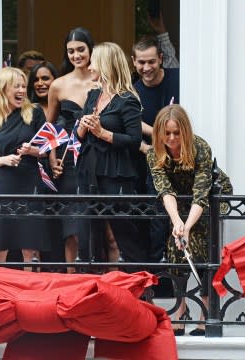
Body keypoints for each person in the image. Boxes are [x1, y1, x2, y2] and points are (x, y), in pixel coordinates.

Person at [146, 104, 233, 336]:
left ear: (185, 130)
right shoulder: (154, 152)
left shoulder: (200, 147)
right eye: (167, 133)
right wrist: (177, 223)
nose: (172, 138)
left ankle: (206, 313)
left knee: (203, 250)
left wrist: (188, 226)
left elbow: (201, 192)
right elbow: (165, 191)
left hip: (209, 199)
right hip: (179, 203)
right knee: (176, 251)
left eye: (177, 132)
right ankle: (181, 310)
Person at [75, 42, 145, 263]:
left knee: (122, 233)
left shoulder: (127, 99)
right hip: (89, 172)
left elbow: (135, 141)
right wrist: (83, 125)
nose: (90, 65)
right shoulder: (92, 96)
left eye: (94, 60)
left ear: (105, 64)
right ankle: (94, 284)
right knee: (90, 235)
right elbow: (78, 137)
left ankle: (140, 285)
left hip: (115, 174)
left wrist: (103, 132)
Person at [0, 67, 49, 269]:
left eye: (23, 86)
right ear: (3, 89)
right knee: (0, 245)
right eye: (16, 86)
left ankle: (31, 292)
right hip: (3, 185)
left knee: (30, 245)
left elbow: (46, 151)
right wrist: (4, 159)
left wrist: (32, 151)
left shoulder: (34, 112)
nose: (21, 90)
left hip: (29, 182)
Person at [45, 27, 96, 265]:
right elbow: (51, 124)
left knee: (99, 226)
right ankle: (71, 282)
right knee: (72, 227)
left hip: (98, 156)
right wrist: (53, 158)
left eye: (81, 50)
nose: (76, 55)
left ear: (90, 49)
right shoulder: (58, 85)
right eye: (71, 51)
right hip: (69, 160)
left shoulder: (102, 80)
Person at [132, 34, 180, 264]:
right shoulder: (132, 92)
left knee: (178, 219)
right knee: (154, 220)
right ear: (134, 62)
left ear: (161, 58)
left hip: (181, 161)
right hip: (148, 165)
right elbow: (129, 126)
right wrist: (148, 147)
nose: (146, 67)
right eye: (141, 62)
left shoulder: (179, 80)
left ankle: (178, 278)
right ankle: (157, 281)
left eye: (151, 61)